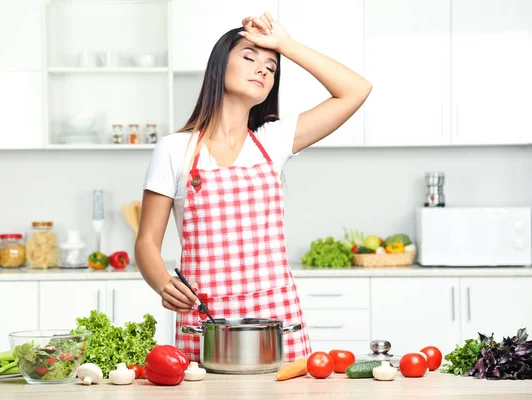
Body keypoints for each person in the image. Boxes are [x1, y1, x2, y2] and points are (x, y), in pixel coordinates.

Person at [136, 11, 372, 362]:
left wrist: (285, 45)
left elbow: (356, 90)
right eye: (250, 57)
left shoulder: (273, 142)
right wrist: (162, 284)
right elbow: (146, 242)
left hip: (275, 318)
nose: (263, 69)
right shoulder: (175, 148)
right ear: (219, 67)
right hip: (206, 322)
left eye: (271, 67)